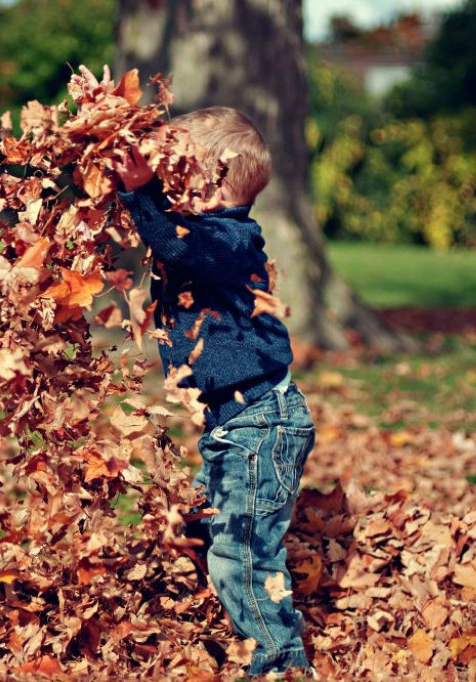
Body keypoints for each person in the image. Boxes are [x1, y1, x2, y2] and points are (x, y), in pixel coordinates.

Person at [113, 106, 317, 677]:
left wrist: (140, 194)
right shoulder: (206, 235)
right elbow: (167, 239)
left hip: (260, 425)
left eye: (176, 176)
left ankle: (281, 664)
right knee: (202, 525)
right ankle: (222, 623)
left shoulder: (230, 239)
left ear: (212, 179)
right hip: (235, 426)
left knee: (244, 557)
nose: (166, 188)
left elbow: (176, 246)